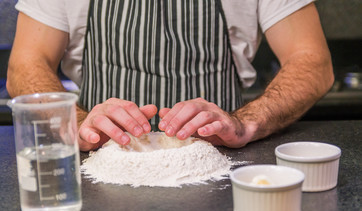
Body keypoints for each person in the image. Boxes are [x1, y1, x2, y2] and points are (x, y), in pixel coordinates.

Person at [7, 0, 334, 152]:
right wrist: (76, 124)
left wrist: (247, 121)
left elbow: (312, 61)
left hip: (221, 162)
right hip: (98, 161)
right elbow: (26, 62)